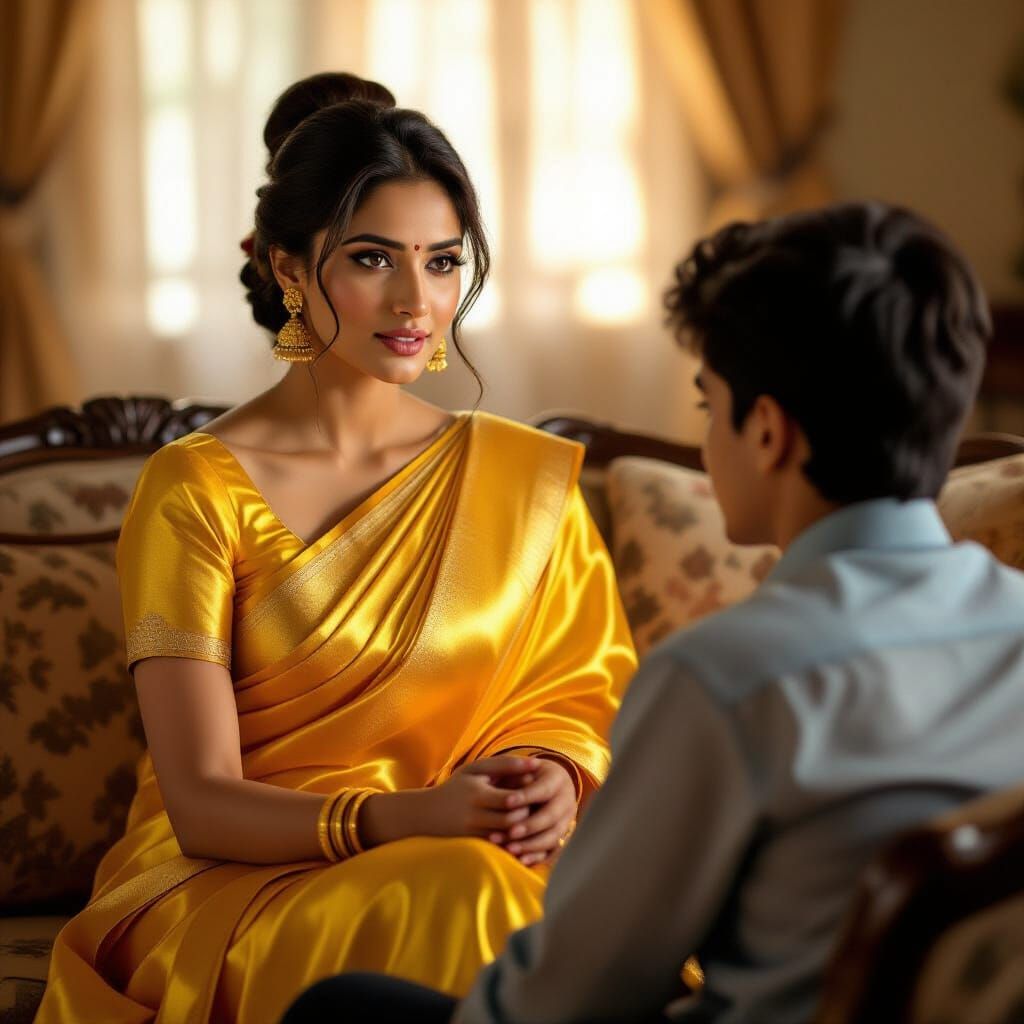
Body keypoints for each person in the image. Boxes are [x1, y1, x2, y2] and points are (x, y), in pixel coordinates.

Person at [283, 200, 1024, 1024]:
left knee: (341, 1009)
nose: (707, 440)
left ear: (769, 433)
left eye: (709, 406)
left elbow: (568, 999)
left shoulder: (727, 680)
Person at [35, 72, 635, 1024]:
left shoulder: (522, 481)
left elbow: (576, 701)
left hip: (476, 864)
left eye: (443, 262)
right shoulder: (194, 489)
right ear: (286, 268)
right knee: (470, 902)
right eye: (372, 259)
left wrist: (555, 782)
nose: (415, 300)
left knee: (499, 896)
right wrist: (409, 818)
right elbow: (200, 803)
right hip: (239, 881)